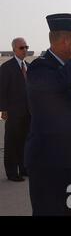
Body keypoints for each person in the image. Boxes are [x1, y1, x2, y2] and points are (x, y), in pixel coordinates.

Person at [25, 13, 71, 216]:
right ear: (65, 41)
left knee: (70, 208)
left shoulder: (68, 68)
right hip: (47, 162)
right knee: (47, 211)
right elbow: (57, 84)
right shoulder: (39, 67)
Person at [0, 38, 31, 182]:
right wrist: (3, 109)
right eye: (21, 48)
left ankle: (24, 168)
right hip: (13, 112)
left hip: (29, 112)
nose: (24, 50)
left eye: (26, 47)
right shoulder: (6, 68)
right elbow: (2, 90)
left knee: (26, 142)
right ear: (14, 49)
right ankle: (12, 173)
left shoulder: (29, 66)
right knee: (12, 143)